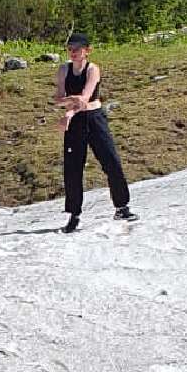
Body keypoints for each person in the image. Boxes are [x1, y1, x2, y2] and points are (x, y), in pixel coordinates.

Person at [55, 32, 134, 232]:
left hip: (94, 119)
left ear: (87, 51)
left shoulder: (93, 70)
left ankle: (121, 206)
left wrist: (70, 108)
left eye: (77, 49)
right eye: (70, 49)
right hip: (75, 122)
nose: (73, 53)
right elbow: (58, 98)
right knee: (73, 169)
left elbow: (85, 98)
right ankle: (74, 215)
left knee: (111, 161)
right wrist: (72, 106)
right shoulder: (64, 69)